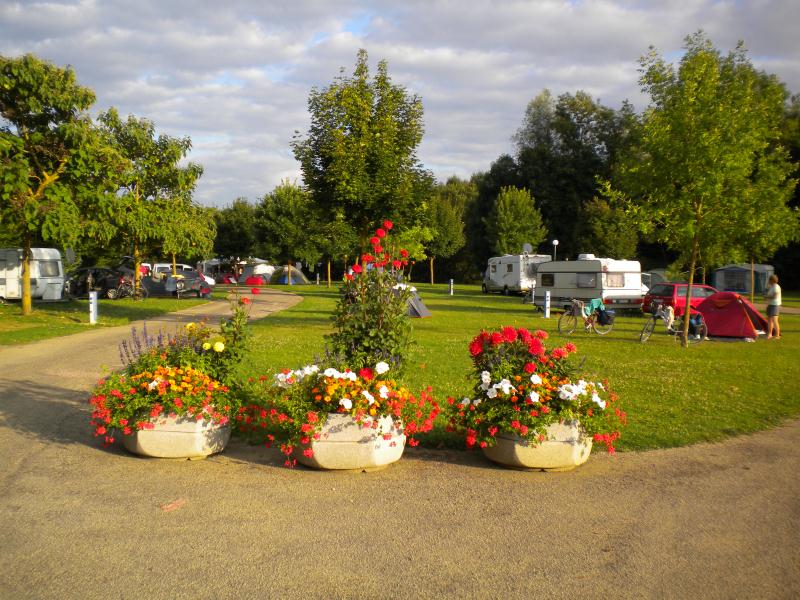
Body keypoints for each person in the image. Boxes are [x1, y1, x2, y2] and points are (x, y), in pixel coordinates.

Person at [764, 274, 782, 339]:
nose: (768, 281)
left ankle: (777, 335)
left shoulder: (776, 287)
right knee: (769, 320)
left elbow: (775, 296)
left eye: (769, 280)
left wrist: (766, 296)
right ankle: (770, 334)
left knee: (774, 320)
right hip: (771, 305)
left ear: (772, 280)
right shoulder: (772, 286)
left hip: (775, 305)